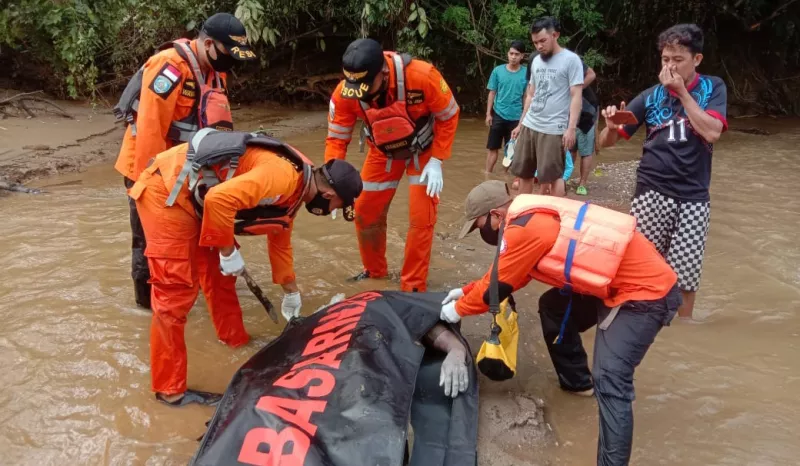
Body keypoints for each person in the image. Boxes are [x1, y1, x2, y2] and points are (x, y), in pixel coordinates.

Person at [441, 180, 682, 465]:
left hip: (644, 295)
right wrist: (466, 292)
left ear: (495, 215)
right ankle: (578, 385)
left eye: (479, 225)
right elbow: (508, 274)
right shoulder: (527, 218)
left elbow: (495, 290)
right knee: (552, 307)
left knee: (610, 379)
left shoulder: (525, 229)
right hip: (611, 285)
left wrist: (456, 310)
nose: (480, 232)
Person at [127, 129, 363, 407]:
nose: (332, 211)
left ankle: (235, 341)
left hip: (196, 200)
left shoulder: (301, 183)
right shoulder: (284, 177)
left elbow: (280, 238)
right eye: (336, 205)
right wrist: (227, 252)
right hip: (167, 192)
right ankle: (170, 392)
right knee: (174, 294)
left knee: (220, 278)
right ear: (328, 192)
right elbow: (219, 200)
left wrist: (291, 291)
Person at [113, 12, 256, 310]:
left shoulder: (215, 73)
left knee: (193, 234)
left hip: (184, 169)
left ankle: (194, 290)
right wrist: (150, 188)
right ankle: (146, 305)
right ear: (207, 44)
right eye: (227, 54)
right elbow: (151, 129)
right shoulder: (169, 68)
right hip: (148, 170)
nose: (230, 62)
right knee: (149, 240)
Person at [599, 24, 727, 321]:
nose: (669, 66)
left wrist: (682, 93)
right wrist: (608, 128)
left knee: (685, 278)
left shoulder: (713, 88)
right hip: (651, 192)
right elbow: (608, 143)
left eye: (677, 60)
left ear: (696, 60)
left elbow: (712, 132)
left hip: (694, 198)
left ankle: (680, 333)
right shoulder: (650, 96)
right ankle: (636, 324)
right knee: (639, 270)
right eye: (665, 59)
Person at [325, 38, 460, 292]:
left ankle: (413, 286)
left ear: (384, 72)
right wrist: (332, 181)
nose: (361, 94)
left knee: (421, 218)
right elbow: (337, 138)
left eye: (366, 85)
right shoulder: (346, 92)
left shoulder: (422, 76)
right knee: (364, 212)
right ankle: (375, 273)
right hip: (382, 151)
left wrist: (438, 160)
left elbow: (449, 114)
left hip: (424, 151)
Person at [510, 16, 583, 197]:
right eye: (535, 43)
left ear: (555, 35)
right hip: (530, 125)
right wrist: (520, 124)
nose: (539, 46)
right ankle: (523, 215)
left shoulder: (571, 60)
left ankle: (555, 217)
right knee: (524, 174)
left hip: (553, 129)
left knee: (553, 177)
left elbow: (576, 96)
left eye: (543, 41)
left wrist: (571, 129)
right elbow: (531, 95)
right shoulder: (536, 61)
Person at [484, 40, 528, 178]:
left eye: (516, 54)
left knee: (511, 151)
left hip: (516, 117)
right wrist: (488, 114)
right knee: (492, 148)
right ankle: (487, 175)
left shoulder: (527, 73)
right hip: (498, 114)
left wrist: (523, 120)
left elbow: (527, 97)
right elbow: (492, 92)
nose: (513, 57)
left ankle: (504, 175)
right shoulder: (498, 71)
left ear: (522, 56)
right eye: (511, 53)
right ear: (508, 54)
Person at [572, 59, 598, 196]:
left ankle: (582, 183)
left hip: (587, 111)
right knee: (570, 149)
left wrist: (576, 90)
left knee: (586, 150)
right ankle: (565, 178)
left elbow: (592, 74)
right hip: (569, 112)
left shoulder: (571, 59)